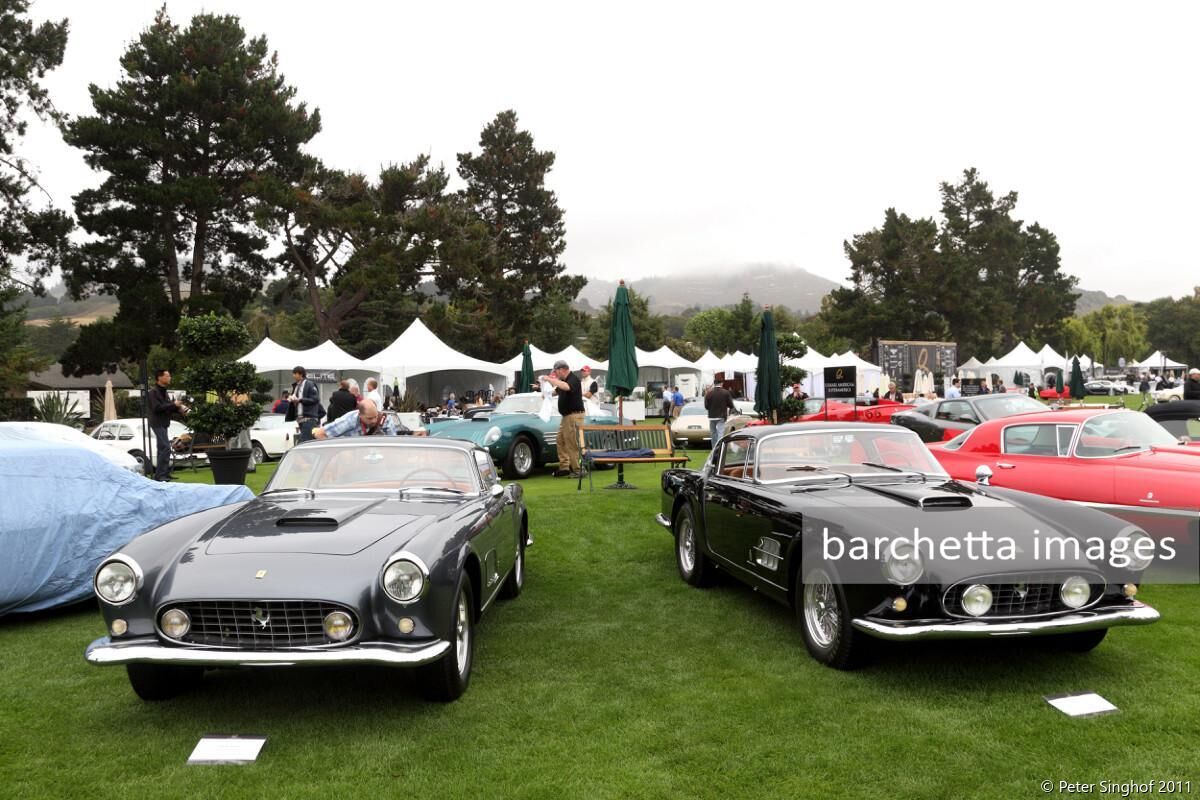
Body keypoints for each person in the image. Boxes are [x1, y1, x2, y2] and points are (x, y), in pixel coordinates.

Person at [541, 359, 585, 477]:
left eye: (556, 372)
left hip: (574, 415)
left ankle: (577, 469)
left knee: (571, 443)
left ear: (562, 369)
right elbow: (555, 392)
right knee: (560, 440)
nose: (555, 374)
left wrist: (550, 379)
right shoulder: (563, 381)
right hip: (566, 416)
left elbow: (566, 387)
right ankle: (564, 467)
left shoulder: (573, 379)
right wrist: (543, 389)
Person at [314, 399, 423, 438]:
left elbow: (394, 444)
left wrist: (414, 435)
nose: (374, 421)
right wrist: (338, 453)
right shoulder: (349, 420)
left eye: (375, 416)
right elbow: (319, 434)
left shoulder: (386, 420)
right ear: (359, 415)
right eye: (369, 418)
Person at [148, 369, 185, 481]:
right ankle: (161, 475)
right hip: (157, 422)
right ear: (160, 378)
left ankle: (161, 474)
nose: (170, 378)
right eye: (167, 376)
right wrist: (173, 404)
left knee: (161, 449)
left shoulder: (164, 392)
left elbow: (167, 407)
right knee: (165, 447)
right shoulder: (153, 392)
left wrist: (178, 409)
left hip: (164, 423)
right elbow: (157, 408)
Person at [289, 366, 322, 442]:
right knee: (306, 441)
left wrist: (300, 400)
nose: (293, 376)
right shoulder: (296, 386)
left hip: (309, 419)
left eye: (295, 374)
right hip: (300, 419)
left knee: (305, 442)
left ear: (301, 374)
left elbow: (315, 399)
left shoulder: (310, 384)